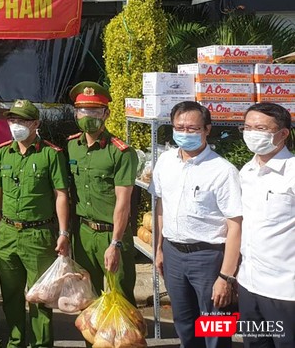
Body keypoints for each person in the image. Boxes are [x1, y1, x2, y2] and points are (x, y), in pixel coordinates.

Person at [0, 99, 70, 348]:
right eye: (13, 120)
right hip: (7, 234)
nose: (16, 125)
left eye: (22, 121)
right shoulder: (3, 152)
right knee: (11, 295)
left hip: (39, 235)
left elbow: (61, 194)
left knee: (40, 296)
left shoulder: (51, 154)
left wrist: (63, 232)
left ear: (36, 123)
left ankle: (40, 344)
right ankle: (16, 342)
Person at [153, 102, 242, 348]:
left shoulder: (222, 171)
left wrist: (226, 275)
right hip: (173, 254)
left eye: (193, 128)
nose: (185, 133)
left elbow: (235, 225)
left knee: (214, 326)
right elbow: (162, 206)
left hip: (208, 257)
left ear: (207, 130)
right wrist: (159, 249)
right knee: (184, 323)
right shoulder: (165, 162)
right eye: (179, 127)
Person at [66, 81, 138, 304]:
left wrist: (115, 243)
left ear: (106, 114)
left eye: (95, 111)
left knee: (121, 298)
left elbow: (123, 203)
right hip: (84, 233)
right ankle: (93, 341)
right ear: (76, 114)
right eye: (83, 111)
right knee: (88, 297)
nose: (88, 116)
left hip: (112, 234)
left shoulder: (121, 152)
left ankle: (129, 341)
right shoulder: (71, 146)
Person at [236, 102, 294, 348]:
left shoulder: (292, 172)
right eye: (247, 127)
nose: (252, 133)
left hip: (286, 291)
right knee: (255, 343)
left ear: (283, 134)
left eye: (260, 128)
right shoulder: (245, 172)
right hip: (249, 284)